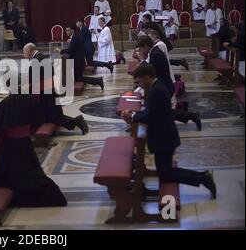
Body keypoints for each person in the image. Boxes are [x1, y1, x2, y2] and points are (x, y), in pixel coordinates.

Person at [121, 64, 216, 199]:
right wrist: (135, 115)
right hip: (164, 137)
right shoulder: (155, 87)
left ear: (147, 78)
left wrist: (133, 116)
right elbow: (151, 112)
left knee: (166, 175)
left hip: (163, 139)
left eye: (140, 82)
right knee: (166, 173)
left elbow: (150, 116)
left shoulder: (156, 91)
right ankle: (203, 177)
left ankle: (203, 178)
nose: (140, 86)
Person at [0, 93, 68, 207]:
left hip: (11, 147)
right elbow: (37, 120)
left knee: (15, 177)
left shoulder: (6, 103)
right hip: (25, 144)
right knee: (32, 173)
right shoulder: (29, 99)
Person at [136, 36, 202, 131]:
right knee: (162, 111)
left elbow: (149, 72)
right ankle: (192, 116)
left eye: (141, 48)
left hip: (164, 87)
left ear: (146, 46)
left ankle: (192, 116)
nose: (141, 50)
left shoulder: (155, 55)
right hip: (164, 85)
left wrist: (142, 59)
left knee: (162, 111)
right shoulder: (155, 51)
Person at [23, 43, 89, 134]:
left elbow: (32, 81)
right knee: (54, 116)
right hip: (50, 90)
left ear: (28, 51)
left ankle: (77, 121)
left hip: (45, 95)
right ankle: (77, 121)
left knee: (54, 117)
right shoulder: (42, 57)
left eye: (24, 53)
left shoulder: (35, 61)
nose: (24, 55)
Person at [60, 24, 104, 90]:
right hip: (78, 60)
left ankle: (98, 81)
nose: (66, 32)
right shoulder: (75, 36)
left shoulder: (75, 37)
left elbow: (71, 50)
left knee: (78, 78)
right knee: (79, 77)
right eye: (66, 31)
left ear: (72, 30)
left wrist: (60, 50)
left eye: (68, 30)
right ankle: (97, 80)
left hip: (78, 61)